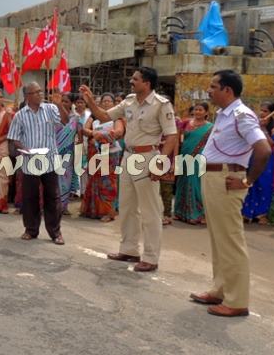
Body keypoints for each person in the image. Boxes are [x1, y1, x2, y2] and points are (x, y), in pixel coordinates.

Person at [189, 70, 271, 317]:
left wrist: (247, 181)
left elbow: (264, 149)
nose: (209, 90)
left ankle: (237, 301)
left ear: (227, 90)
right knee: (218, 237)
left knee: (231, 240)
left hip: (227, 180)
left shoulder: (240, 115)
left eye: (214, 86)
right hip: (213, 177)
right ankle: (220, 289)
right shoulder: (224, 115)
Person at [80, 67, 178, 272]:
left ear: (147, 83)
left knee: (150, 210)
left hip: (148, 157)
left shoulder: (161, 105)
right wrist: (90, 100)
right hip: (128, 156)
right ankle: (129, 249)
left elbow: (171, 136)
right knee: (126, 206)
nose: (131, 81)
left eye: (135, 79)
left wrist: (160, 162)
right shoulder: (129, 101)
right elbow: (104, 116)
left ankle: (151, 257)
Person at [7, 82, 69, 244]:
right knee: (30, 197)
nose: (40, 94)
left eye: (41, 91)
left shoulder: (51, 109)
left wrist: (59, 104)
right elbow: (14, 138)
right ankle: (31, 230)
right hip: (30, 161)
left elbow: (65, 121)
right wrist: (25, 149)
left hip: (49, 159)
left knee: (52, 197)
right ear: (27, 96)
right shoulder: (20, 115)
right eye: (36, 92)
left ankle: (55, 233)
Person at [80, 93, 125, 222]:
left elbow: (119, 131)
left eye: (109, 101)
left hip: (110, 153)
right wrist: (93, 133)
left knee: (108, 182)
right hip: (95, 152)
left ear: (113, 104)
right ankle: (93, 209)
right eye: (104, 101)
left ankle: (108, 212)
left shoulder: (116, 117)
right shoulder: (93, 117)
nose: (106, 103)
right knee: (94, 180)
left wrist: (109, 134)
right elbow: (84, 129)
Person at [174, 102, 212, 225]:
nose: (198, 112)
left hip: (199, 158)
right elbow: (176, 140)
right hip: (184, 155)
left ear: (206, 112)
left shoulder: (211, 127)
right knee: (182, 182)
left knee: (195, 184)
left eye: (201, 110)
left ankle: (196, 214)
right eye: (196, 109)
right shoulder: (185, 123)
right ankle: (180, 213)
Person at [54, 93, 79, 214]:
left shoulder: (75, 118)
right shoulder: (53, 116)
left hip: (68, 154)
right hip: (54, 152)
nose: (63, 103)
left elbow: (68, 120)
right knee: (53, 180)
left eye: (66, 101)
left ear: (71, 104)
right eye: (61, 101)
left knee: (66, 180)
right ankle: (53, 206)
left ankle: (64, 206)